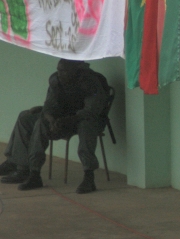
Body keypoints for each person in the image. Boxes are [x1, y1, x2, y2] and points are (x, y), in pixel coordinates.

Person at [0, 60, 107, 194]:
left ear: (75, 71)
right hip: (63, 118)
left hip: (84, 119)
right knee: (35, 120)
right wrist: (51, 121)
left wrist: (66, 120)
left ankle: (89, 177)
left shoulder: (90, 82)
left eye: (64, 71)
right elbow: (50, 106)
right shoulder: (56, 80)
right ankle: (31, 172)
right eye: (58, 70)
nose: (60, 73)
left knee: (87, 127)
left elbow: (91, 111)